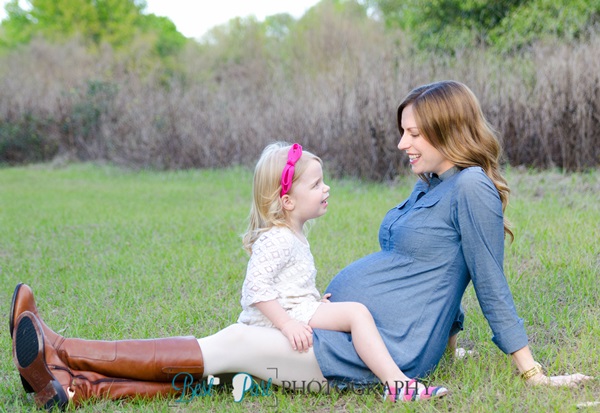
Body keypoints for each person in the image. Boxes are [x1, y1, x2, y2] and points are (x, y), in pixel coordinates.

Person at [10, 80, 591, 411]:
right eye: (403, 130)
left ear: (449, 131)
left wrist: (531, 373)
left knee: (235, 343)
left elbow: (487, 278)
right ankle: (71, 387)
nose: (400, 143)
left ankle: (64, 348)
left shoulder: (473, 190)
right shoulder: (433, 186)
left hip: (372, 353)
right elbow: (433, 273)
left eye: (413, 133)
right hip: (337, 329)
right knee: (226, 362)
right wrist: (450, 341)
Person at [236, 142, 446, 401]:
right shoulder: (277, 238)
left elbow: (287, 284)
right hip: (278, 317)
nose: (326, 188)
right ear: (287, 201)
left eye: (322, 182)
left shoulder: (291, 234)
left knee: (348, 314)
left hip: (295, 309)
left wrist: (312, 303)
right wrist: (288, 324)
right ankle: (397, 383)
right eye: (315, 185)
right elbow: (256, 289)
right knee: (356, 313)